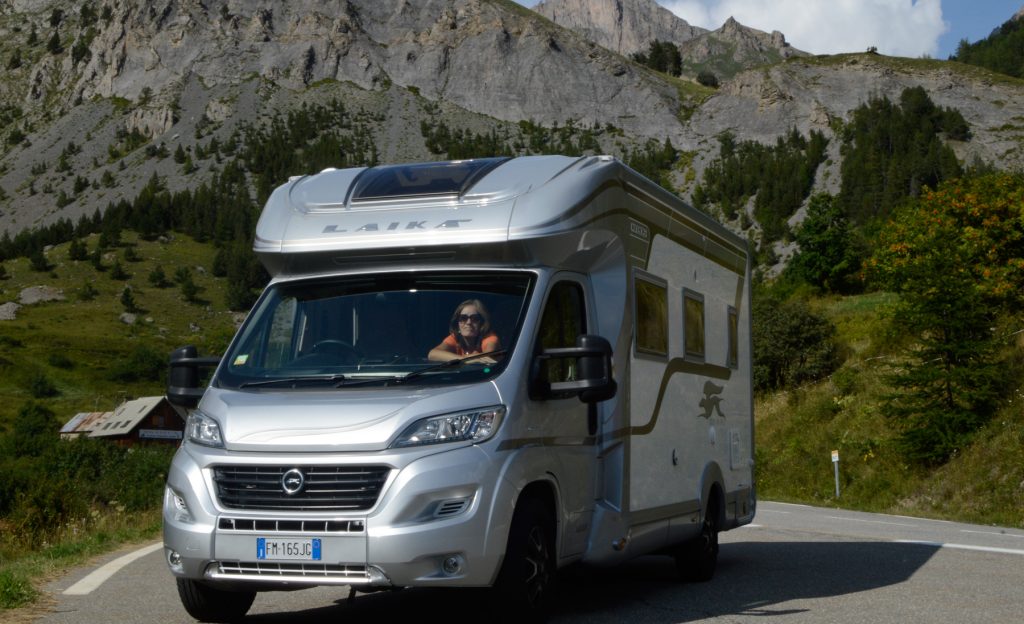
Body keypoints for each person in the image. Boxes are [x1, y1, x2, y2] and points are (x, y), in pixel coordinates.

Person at [428, 299, 502, 364]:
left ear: (482, 323)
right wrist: (466, 359)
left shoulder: (490, 337)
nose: (468, 322)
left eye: (475, 318)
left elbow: (487, 357)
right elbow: (432, 354)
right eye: (463, 318)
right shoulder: (455, 338)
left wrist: (459, 359)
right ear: (457, 323)